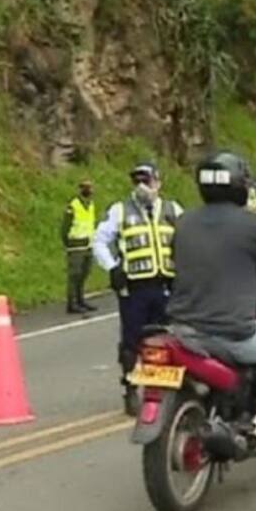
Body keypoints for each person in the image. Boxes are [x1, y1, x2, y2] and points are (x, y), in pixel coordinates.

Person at [167, 151, 256, 450]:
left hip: (182, 329)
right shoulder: (251, 226)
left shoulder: (184, 223)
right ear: (240, 186)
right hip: (230, 333)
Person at [93, 161, 184, 416]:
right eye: (137, 182)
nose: (142, 186)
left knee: (166, 337)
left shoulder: (172, 210)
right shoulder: (120, 211)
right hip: (134, 287)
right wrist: (112, 267)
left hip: (166, 283)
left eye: (147, 180)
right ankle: (131, 389)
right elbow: (99, 240)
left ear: (158, 181)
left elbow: (188, 238)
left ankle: (161, 387)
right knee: (133, 339)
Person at [61, 179, 98, 314]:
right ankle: (72, 303)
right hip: (76, 245)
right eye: (87, 187)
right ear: (81, 189)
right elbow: (65, 227)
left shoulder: (91, 204)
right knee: (74, 275)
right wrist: (68, 243)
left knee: (84, 273)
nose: (90, 190)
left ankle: (81, 299)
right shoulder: (73, 205)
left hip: (88, 244)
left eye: (91, 187)